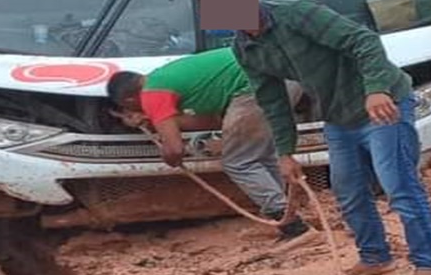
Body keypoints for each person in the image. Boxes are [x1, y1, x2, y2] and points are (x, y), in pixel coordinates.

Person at [231, 0, 431, 275]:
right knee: (348, 192)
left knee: (398, 185)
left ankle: (429, 262)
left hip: (383, 105)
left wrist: (376, 89)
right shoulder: (245, 48)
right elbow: (273, 101)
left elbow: (364, 41)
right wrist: (285, 152)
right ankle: (374, 257)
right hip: (338, 116)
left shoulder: (297, 13)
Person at [105, 46, 316, 245]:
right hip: (282, 76)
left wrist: (168, 154)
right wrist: (155, 122)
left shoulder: (152, 93)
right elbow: (217, 121)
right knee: (259, 155)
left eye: (128, 108)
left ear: (130, 100)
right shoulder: (166, 78)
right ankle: (287, 217)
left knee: (239, 162)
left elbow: (175, 150)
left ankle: (292, 226)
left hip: (255, 85)